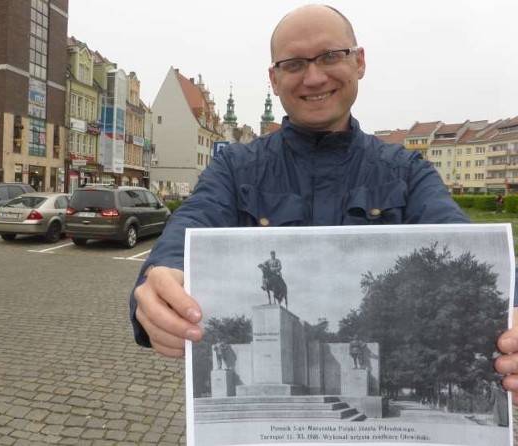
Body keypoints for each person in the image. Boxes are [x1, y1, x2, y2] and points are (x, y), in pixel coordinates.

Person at [130, 4, 518, 404]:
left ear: (359, 61)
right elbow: (190, 224)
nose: (314, 77)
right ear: (274, 78)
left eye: (331, 56)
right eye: (294, 63)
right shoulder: (234, 167)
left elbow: (469, 249)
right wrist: (158, 281)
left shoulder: (407, 171)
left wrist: (513, 311)